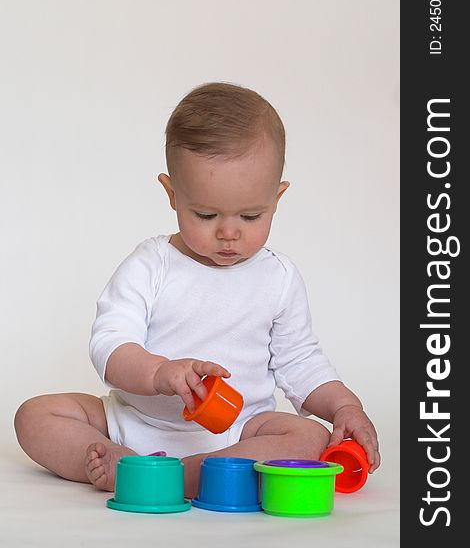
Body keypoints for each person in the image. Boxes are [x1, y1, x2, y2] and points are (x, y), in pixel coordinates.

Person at [14, 82, 380, 499]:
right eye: (205, 214)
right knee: (36, 415)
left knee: (309, 437)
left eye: (251, 214)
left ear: (277, 198)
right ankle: (119, 460)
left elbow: (300, 362)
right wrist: (160, 373)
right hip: (136, 422)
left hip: (240, 433)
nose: (228, 232)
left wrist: (345, 407)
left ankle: (169, 476)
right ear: (172, 195)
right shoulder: (151, 264)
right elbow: (110, 344)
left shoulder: (278, 278)